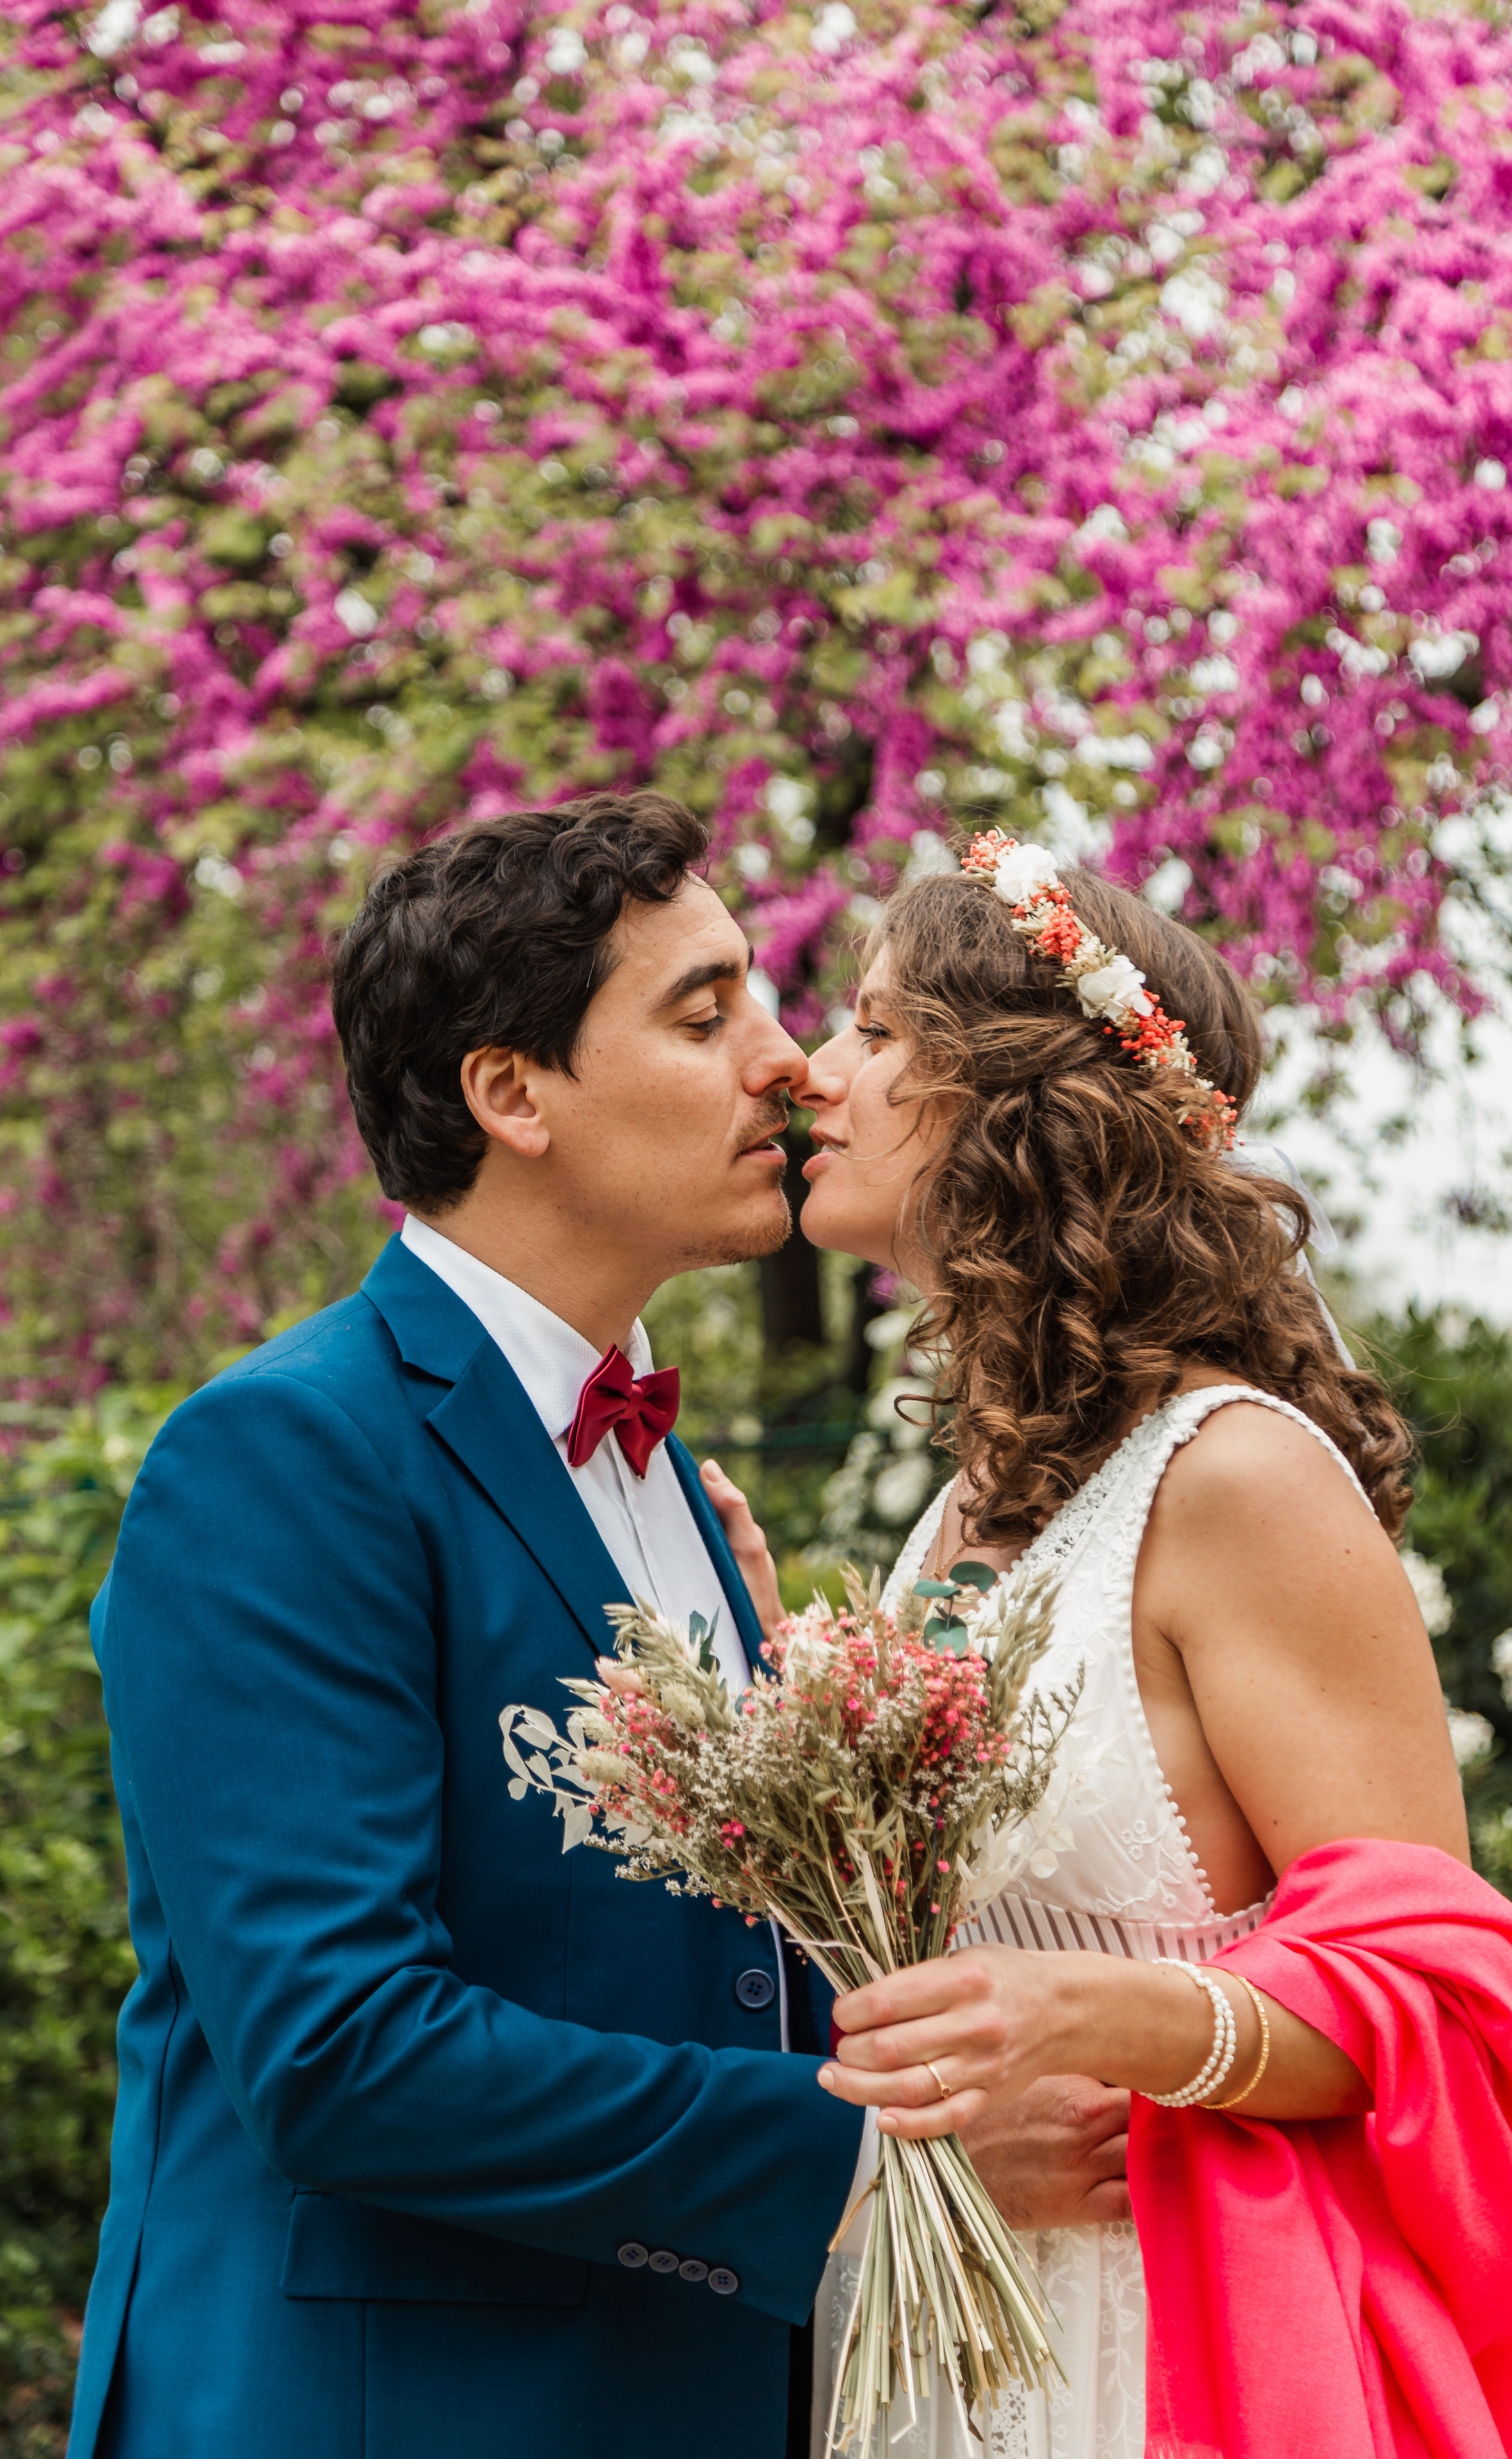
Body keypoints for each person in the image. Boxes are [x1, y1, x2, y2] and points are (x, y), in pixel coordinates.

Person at [68, 793, 1127, 2459]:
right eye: (707, 1013)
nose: (786, 1062)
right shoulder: (282, 1456)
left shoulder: (674, 1490)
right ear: (510, 1093)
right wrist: (872, 2156)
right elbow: (342, 2049)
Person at [720, 832, 1512, 2459]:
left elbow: (1449, 2001)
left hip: (1146, 2359)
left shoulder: (1233, 1477)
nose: (808, 1074)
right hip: (925, 2348)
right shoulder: (968, 1504)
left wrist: (1117, 2021)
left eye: (877, 1031)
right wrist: (772, 1717)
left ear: (1018, 1103)